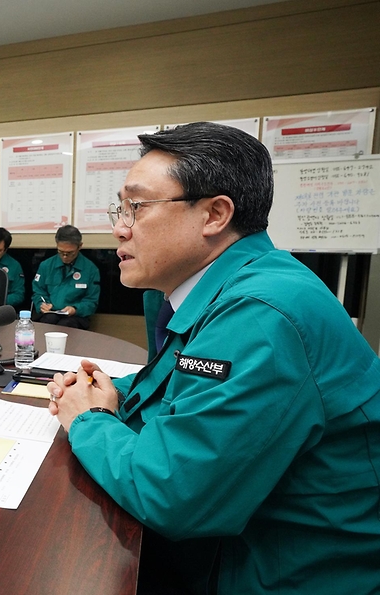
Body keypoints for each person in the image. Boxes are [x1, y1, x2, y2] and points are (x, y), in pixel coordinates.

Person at [46, 122, 380, 595]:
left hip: (284, 571)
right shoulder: (226, 288)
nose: (119, 226)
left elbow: (174, 494)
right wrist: (113, 399)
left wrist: (89, 421)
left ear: (214, 214)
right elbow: (190, 398)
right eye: (120, 207)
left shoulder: (260, 313)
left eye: (136, 207)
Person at [30, 225, 100, 329]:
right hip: (50, 313)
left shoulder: (91, 269)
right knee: (47, 322)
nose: (65, 256)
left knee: (66, 326)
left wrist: (75, 309)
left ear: (80, 246)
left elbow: (91, 301)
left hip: (76, 316)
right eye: (61, 252)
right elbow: (38, 291)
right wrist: (41, 303)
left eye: (70, 253)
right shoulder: (46, 265)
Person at [0, 227, 25, 309]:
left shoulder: (14, 266)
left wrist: (0, 300)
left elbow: (19, 295)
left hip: (2, 309)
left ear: (5, 250)